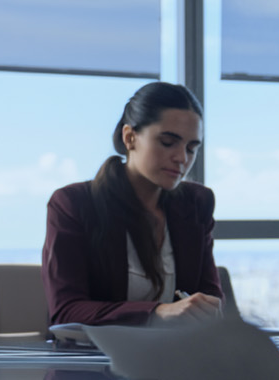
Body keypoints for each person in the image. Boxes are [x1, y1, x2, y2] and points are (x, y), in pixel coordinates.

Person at [42, 82, 224, 326]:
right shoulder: (74, 204)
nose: (182, 158)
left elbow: (210, 299)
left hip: (176, 357)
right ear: (130, 137)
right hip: (95, 360)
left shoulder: (196, 203)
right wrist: (159, 312)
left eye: (192, 148)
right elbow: (66, 311)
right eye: (168, 142)